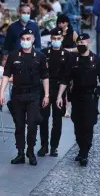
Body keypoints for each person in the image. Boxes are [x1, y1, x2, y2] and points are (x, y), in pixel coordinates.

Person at [57, 33, 100, 167]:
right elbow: (65, 79)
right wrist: (59, 96)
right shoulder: (73, 60)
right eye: (79, 43)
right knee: (77, 124)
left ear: (89, 43)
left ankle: (85, 153)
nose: (81, 45)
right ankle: (82, 148)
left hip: (90, 97)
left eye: (83, 43)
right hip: (76, 96)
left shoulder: (97, 60)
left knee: (88, 124)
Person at [0, 29, 49, 166]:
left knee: (32, 124)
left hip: (33, 95)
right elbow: (6, 75)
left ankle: (31, 151)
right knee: (19, 125)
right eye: (23, 39)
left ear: (33, 40)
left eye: (28, 39)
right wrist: (1, 93)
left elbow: (45, 76)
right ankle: (20, 153)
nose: (25, 41)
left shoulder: (40, 56)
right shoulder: (14, 56)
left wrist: (46, 95)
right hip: (17, 95)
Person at [37, 28, 71, 157]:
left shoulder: (67, 55)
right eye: (54, 39)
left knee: (57, 120)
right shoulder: (45, 53)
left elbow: (67, 76)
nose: (56, 41)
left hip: (59, 89)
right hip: (45, 88)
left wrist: (62, 95)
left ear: (62, 38)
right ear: (51, 39)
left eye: (58, 38)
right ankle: (44, 146)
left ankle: (54, 147)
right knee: (43, 119)